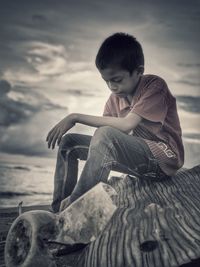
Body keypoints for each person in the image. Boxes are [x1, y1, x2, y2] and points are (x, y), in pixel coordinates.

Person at [46, 32, 184, 213]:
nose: (112, 87)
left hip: (163, 160)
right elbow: (105, 141)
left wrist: (75, 117)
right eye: (106, 81)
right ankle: (58, 211)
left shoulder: (154, 86)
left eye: (117, 80)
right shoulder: (114, 98)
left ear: (139, 71)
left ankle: (78, 206)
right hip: (136, 155)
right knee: (69, 143)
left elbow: (127, 125)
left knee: (105, 134)